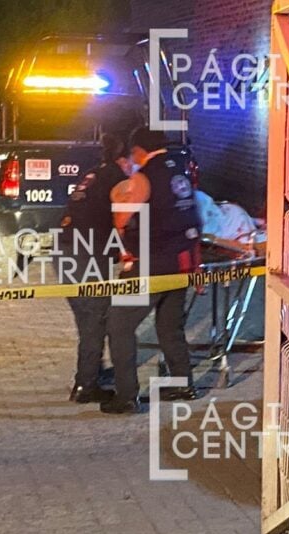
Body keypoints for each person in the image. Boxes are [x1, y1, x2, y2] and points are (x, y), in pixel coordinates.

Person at [100, 127, 201, 415]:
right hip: (182, 261)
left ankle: (126, 395)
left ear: (139, 151)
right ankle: (183, 383)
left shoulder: (144, 176)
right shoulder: (180, 173)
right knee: (169, 325)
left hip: (151, 262)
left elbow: (122, 219)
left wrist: (120, 199)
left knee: (119, 324)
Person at [59, 133, 131, 404]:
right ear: (124, 159)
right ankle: (86, 386)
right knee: (94, 318)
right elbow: (123, 219)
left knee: (87, 316)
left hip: (65, 249)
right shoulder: (117, 178)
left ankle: (92, 371)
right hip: (85, 254)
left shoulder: (94, 174)